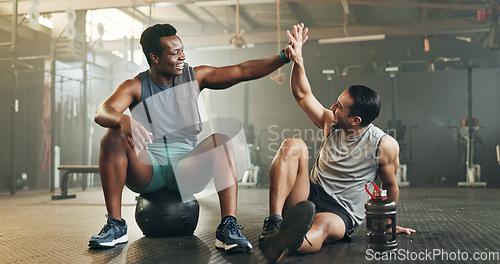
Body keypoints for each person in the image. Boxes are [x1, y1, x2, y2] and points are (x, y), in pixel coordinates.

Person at [89, 23, 306, 252]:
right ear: (154, 57)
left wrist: (284, 57)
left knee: (221, 141)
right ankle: (116, 225)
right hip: (148, 165)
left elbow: (243, 71)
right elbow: (102, 111)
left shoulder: (195, 77)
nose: (182, 56)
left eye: (182, 50)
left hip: (186, 166)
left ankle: (227, 228)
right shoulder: (135, 86)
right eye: (175, 53)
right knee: (112, 137)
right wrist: (124, 120)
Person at [259, 24, 416, 263]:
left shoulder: (384, 144)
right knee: (294, 144)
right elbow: (302, 94)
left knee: (321, 224)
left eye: (339, 107)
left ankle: (286, 244)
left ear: (355, 120)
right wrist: (298, 61)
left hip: (340, 212)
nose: (332, 108)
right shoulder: (330, 122)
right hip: (309, 194)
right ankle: (274, 224)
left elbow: (390, 186)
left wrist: (387, 225)